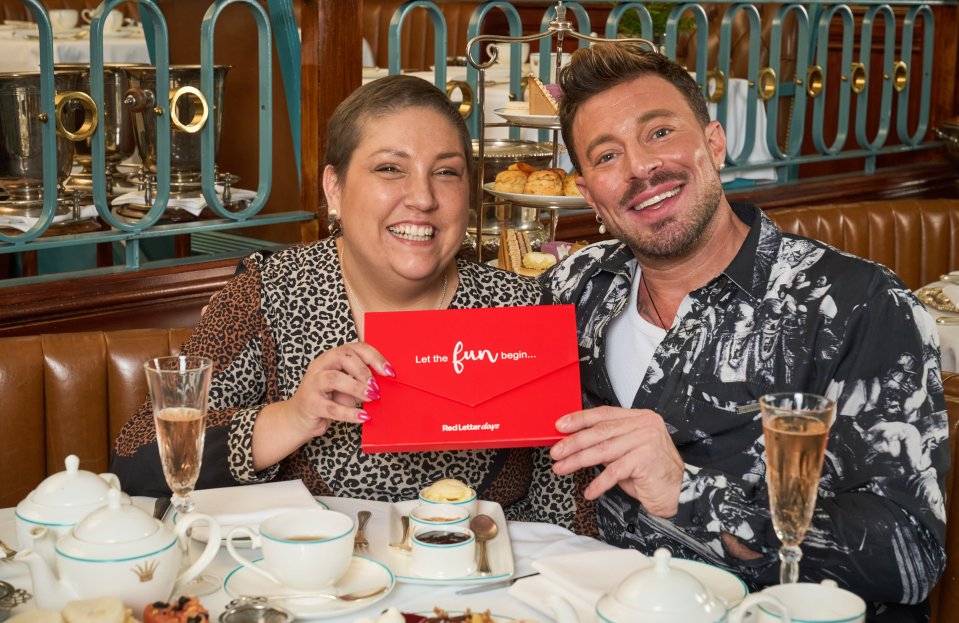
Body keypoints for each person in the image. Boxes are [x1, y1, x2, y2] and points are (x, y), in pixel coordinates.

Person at [541, 43, 947, 621]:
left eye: (659, 133)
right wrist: (370, 372)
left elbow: (909, 555)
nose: (639, 167)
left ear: (713, 143)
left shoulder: (858, 306)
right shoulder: (575, 288)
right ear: (589, 195)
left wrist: (687, 490)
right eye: (607, 156)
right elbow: (469, 375)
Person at [111, 75, 593, 533]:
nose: (422, 198)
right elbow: (138, 458)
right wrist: (294, 416)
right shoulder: (273, 291)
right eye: (390, 169)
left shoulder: (519, 311)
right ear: (334, 189)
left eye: (446, 172)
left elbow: (566, 509)